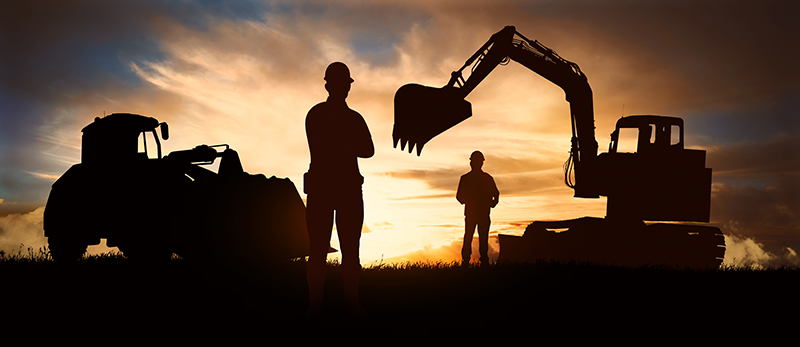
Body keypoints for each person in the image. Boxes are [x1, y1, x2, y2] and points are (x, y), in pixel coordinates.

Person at [304, 62, 374, 318]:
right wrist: (347, 142)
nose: (345, 88)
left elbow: (368, 150)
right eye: (343, 83)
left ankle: (333, 304)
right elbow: (365, 148)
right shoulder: (349, 118)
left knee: (340, 248)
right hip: (336, 187)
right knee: (324, 248)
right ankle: (329, 304)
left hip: (333, 188)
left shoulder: (317, 114)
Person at [456, 150, 499, 267]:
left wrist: (492, 203)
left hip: (479, 213)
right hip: (476, 213)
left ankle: (475, 261)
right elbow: (459, 196)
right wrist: (491, 203)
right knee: (473, 236)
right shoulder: (472, 178)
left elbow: (496, 194)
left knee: (475, 236)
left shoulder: (470, 178)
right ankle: (473, 261)